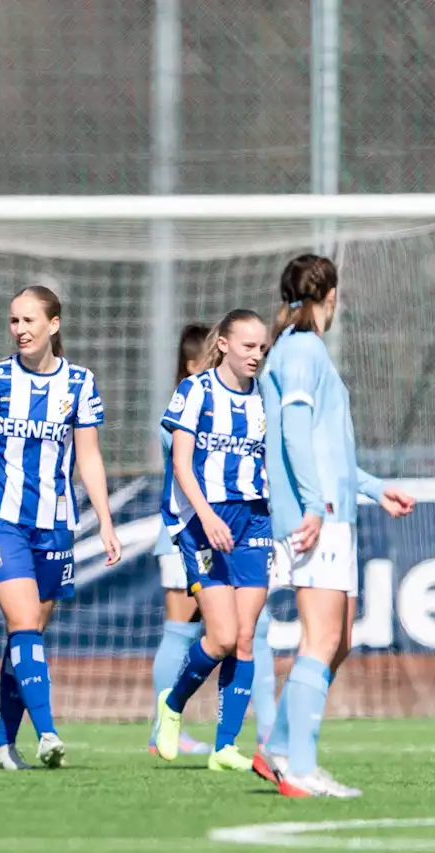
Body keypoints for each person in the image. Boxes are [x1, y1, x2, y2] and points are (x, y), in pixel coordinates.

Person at [251, 255, 415, 797]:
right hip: (314, 518)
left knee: (339, 639)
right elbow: (295, 434)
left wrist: (373, 488)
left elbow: (328, 446)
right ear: (331, 295)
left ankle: (279, 748)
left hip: (333, 513)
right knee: (320, 640)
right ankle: (298, 767)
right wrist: (315, 507)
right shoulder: (301, 351)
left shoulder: (305, 350)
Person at [0, 284, 122, 771]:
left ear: (54, 325)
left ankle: (4, 746)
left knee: (26, 635)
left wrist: (106, 523)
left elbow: (88, 456)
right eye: (14, 321)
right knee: (24, 622)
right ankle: (47, 731)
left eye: (29, 321)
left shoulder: (80, 384)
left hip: (54, 525)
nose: (20, 330)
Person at [151, 309, 272, 772]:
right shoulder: (196, 390)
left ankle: (225, 747)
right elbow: (181, 464)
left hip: (254, 520)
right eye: (247, 346)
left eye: (261, 347)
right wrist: (205, 516)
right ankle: (174, 703)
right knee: (219, 637)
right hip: (203, 522)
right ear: (223, 344)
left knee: (245, 637)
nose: (255, 355)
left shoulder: (265, 396)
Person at [147, 323, 212, 757]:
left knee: (193, 630)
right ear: (192, 365)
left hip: (201, 535)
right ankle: (161, 728)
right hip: (181, 535)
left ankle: (166, 727)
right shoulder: (182, 413)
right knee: (180, 630)